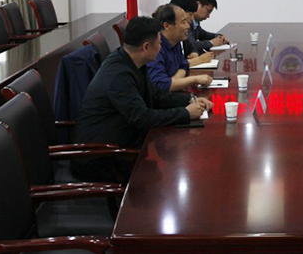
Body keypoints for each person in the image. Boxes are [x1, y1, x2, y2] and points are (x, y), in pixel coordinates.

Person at [73, 16, 213, 181]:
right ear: (146, 47)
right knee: (173, 174)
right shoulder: (119, 75)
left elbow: (156, 95)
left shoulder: (132, 62)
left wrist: (189, 100)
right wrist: (185, 113)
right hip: (103, 158)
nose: (161, 48)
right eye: (159, 43)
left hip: (123, 146)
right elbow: (142, 117)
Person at [148, 4, 213, 92]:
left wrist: (174, 81)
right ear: (167, 26)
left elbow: (184, 65)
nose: (188, 26)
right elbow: (160, 85)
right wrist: (194, 79)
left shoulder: (175, 41)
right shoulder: (155, 48)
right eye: (183, 22)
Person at [170, 0, 214, 65]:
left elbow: (190, 45)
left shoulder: (179, 35)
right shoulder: (162, 41)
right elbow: (173, 67)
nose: (192, 18)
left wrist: (194, 52)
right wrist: (200, 60)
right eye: (190, 14)